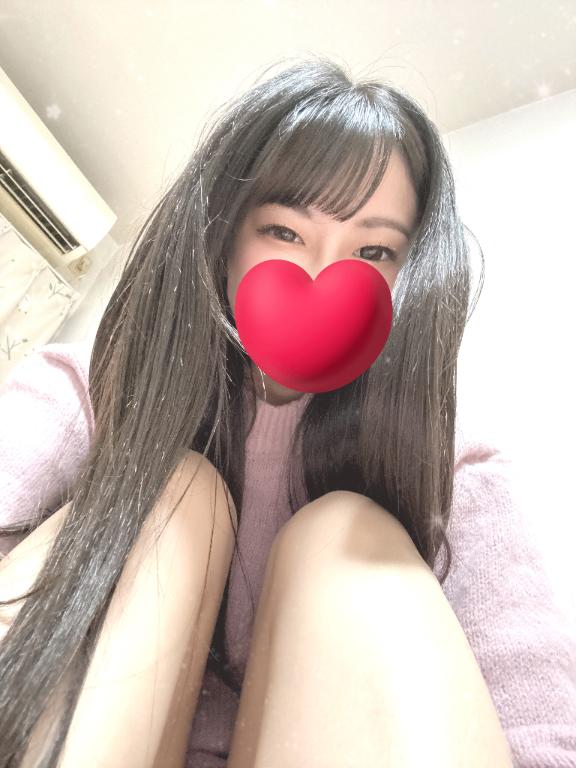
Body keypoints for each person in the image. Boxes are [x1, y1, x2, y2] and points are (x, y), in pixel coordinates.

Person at [0, 54, 575, 768]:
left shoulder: (458, 470)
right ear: (223, 236)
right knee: (178, 493)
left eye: (374, 250)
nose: (321, 275)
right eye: (283, 232)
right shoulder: (88, 389)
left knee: (343, 533)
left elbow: (543, 736)